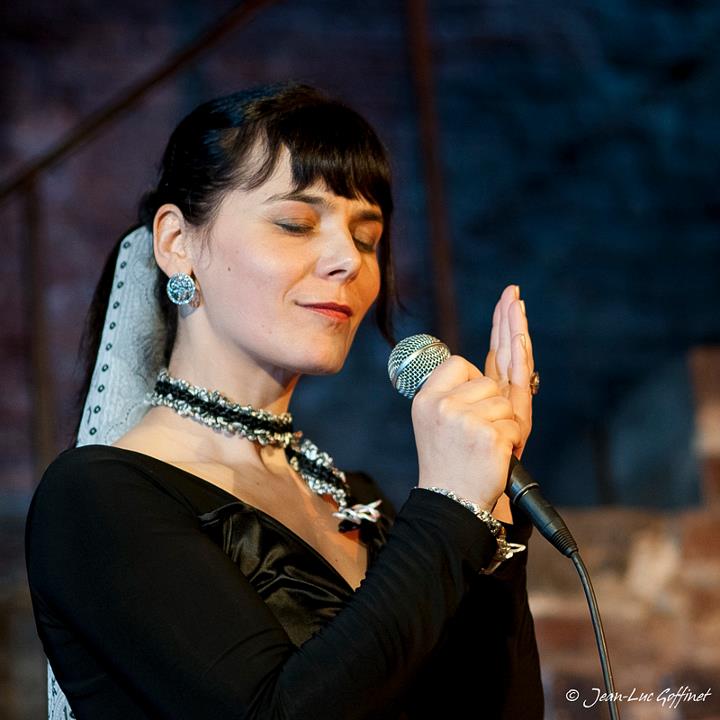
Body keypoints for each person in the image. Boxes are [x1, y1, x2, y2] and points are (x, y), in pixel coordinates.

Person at [25, 82, 544, 719]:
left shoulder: (360, 503)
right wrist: (445, 507)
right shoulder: (98, 498)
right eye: (296, 224)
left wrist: (488, 509)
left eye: (367, 238)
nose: (347, 260)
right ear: (177, 242)